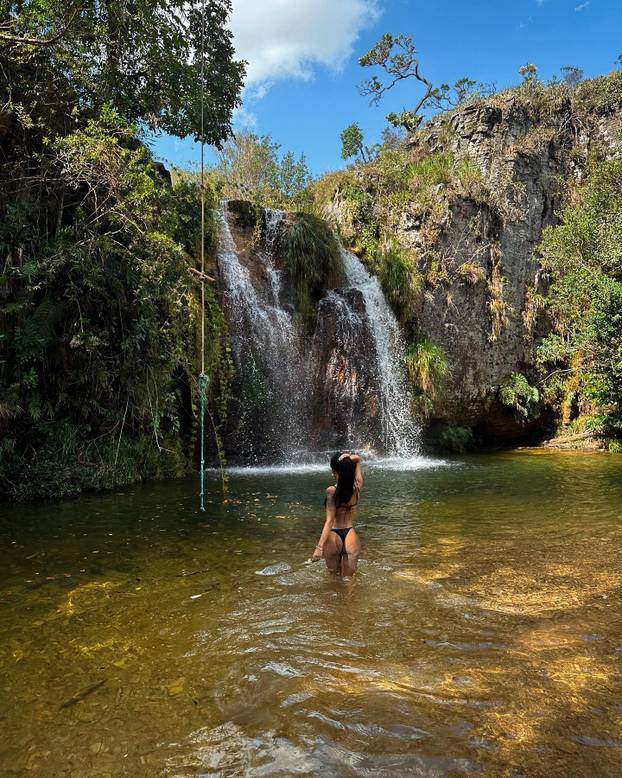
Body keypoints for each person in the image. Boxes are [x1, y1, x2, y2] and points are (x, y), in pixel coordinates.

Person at [310, 452, 363, 576]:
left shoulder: (331, 491)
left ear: (334, 471)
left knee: (333, 578)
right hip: (350, 535)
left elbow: (329, 520)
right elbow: (358, 459)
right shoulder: (357, 487)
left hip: (334, 534)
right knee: (349, 580)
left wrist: (319, 547)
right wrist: (348, 459)